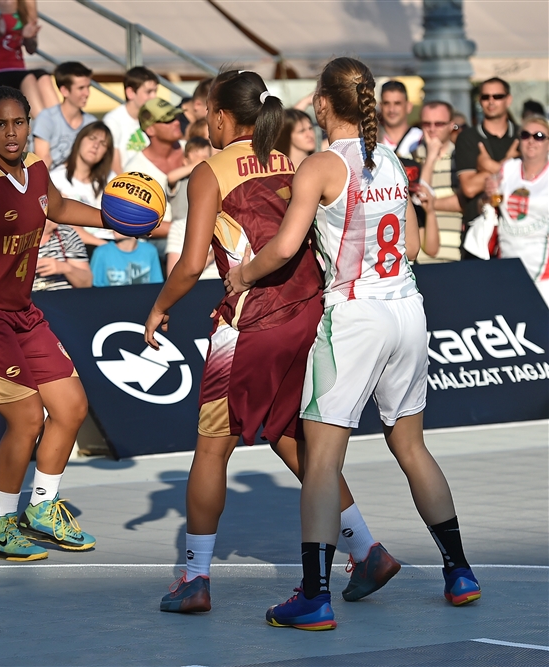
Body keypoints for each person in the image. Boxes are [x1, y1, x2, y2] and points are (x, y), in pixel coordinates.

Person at [222, 57, 479, 631]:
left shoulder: (319, 166)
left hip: (357, 315)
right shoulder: (390, 159)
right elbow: (412, 244)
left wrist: (243, 274)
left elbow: (286, 247)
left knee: (321, 460)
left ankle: (314, 596)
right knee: (411, 447)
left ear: (320, 103)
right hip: (408, 308)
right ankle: (459, 572)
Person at [145, 69, 396, 616]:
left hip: (250, 324)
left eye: (207, 112)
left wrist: (160, 307)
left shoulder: (209, 172)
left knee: (212, 448)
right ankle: (367, 549)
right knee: (288, 434)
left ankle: (195, 578)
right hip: (308, 314)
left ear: (218, 115)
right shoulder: (294, 161)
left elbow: (190, 265)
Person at [0, 86, 108, 562]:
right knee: (28, 418)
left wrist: (116, 218)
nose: (12, 133)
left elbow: (60, 209)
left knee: (71, 408)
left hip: (21, 312)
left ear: (29, 125)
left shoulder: (35, 169)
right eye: (2, 124)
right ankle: (1, 525)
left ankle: (44, 509)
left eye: (19, 123)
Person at [456, 78, 520, 259]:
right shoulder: (468, 137)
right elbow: (468, 188)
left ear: (508, 99)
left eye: (497, 96)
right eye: (485, 97)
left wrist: (487, 168)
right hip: (478, 234)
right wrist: (507, 163)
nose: (491, 101)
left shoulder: (523, 136)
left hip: (516, 232)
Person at [492, 116, 549, 305]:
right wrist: (487, 195)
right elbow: (489, 204)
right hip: (508, 264)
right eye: (525, 135)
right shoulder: (508, 169)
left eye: (539, 136)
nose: (531, 140)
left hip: (543, 272)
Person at [0, 0, 55, 117]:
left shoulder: (28, 2)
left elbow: (31, 49)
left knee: (43, 77)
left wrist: (28, 38)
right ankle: (45, 129)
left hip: (19, 71)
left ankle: (60, 129)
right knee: (27, 78)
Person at [124, 96, 186, 240]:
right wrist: (188, 228)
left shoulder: (194, 151)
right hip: (158, 242)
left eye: (176, 117)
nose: (177, 122)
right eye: (168, 120)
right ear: (150, 129)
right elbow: (136, 221)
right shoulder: (135, 170)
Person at [49, 120, 115, 249]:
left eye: (103, 143)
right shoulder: (56, 178)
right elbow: (64, 221)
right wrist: (106, 248)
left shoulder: (111, 180)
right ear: (79, 140)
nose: (96, 145)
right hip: (76, 246)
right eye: (92, 138)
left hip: (111, 242)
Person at [164, 136, 218, 279]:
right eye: (196, 154)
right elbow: (170, 177)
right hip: (181, 231)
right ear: (185, 160)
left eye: (205, 155)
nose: (201, 158)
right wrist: (199, 165)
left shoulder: (209, 179)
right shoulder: (180, 180)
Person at [414, 100, 457, 260]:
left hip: (454, 254)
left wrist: (432, 203)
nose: (432, 129)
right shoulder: (411, 158)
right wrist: (431, 157)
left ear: (451, 125)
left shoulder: (460, 158)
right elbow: (419, 199)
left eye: (439, 124)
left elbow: (463, 201)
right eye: (426, 123)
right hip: (418, 258)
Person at [32, 61, 96, 170]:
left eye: (88, 87)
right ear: (65, 91)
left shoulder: (91, 123)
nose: (87, 93)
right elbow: (41, 166)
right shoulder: (46, 118)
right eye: (81, 88)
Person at [103, 65, 159, 173]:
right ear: (130, 93)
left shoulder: (153, 118)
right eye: (148, 92)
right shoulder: (113, 121)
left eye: (155, 91)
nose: (154, 97)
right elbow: (115, 166)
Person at [31, 218, 90, 291]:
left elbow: (87, 282)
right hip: (27, 298)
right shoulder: (16, 236)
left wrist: (65, 268)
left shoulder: (66, 234)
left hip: (63, 297)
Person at [90, 231, 162, 287]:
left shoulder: (150, 251)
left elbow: (156, 284)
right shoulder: (101, 252)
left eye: (124, 221)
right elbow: (95, 286)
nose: (116, 226)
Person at [378, 80, 421, 158]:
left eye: (397, 103)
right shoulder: (371, 140)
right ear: (380, 107)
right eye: (386, 103)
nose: (391, 109)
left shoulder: (420, 139)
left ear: (409, 106)